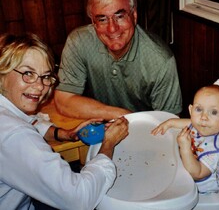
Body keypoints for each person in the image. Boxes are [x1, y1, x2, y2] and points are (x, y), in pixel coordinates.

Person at [0, 33, 129, 210]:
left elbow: (29, 122)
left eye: (45, 76)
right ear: (2, 72)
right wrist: (109, 143)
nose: (39, 87)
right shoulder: (16, 136)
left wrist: (63, 133)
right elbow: (80, 199)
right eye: (28, 73)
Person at [54, 0, 182, 121]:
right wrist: (122, 116)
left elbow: (169, 122)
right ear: (93, 23)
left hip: (144, 131)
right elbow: (63, 100)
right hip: (97, 124)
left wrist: (131, 123)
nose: (112, 28)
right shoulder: (79, 41)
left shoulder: (160, 60)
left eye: (119, 16)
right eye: (102, 19)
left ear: (134, 16)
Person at [152, 85, 219, 194]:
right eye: (199, 109)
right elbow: (189, 123)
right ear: (191, 110)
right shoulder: (206, 125)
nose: (203, 117)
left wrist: (185, 148)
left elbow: (197, 173)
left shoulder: (217, 148)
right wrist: (169, 123)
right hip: (182, 168)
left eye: (213, 112)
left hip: (196, 189)